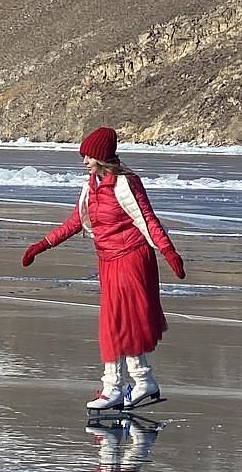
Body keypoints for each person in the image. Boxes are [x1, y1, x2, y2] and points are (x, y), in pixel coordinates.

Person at [21, 126, 184, 410]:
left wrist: (169, 252)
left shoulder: (125, 184)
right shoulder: (91, 186)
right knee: (124, 323)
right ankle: (143, 380)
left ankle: (112, 388)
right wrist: (41, 245)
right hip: (108, 261)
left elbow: (147, 219)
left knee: (114, 324)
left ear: (102, 156)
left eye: (88, 155)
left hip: (132, 258)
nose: (84, 161)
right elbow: (75, 223)